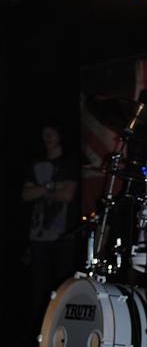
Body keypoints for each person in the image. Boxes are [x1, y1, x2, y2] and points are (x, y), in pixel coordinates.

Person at [21, 118, 81, 346]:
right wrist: (50, 188)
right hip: (37, 235)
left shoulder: (69, 163)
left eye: (51, 134)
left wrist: (41, 190)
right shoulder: (35, 163)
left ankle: (61, 333)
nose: (47, 138)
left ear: (59, 136)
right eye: (44, 134)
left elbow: (67, 195)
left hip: (63, 235)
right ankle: (40, 335)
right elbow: (25, 195)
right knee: (38, 290)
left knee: (61, 287)